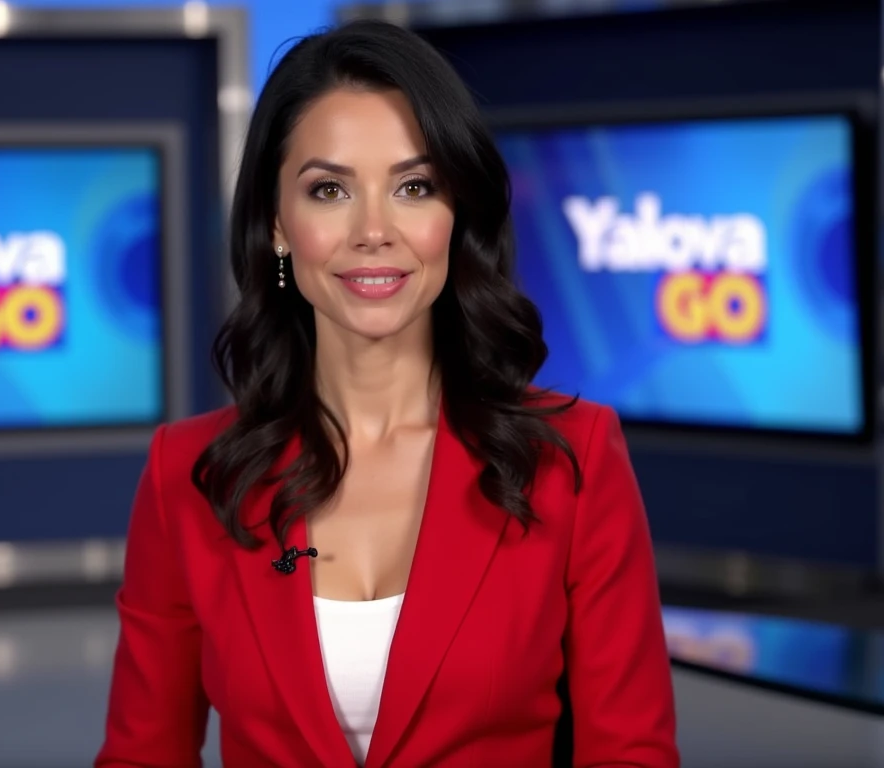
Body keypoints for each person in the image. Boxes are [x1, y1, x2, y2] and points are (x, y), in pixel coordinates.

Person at [96, 18, 678, 768]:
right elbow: (143, 755)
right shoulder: (188, 474)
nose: (374, 230)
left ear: (454, 212)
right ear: (278, 224)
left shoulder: (574, 458)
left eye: (413, 186)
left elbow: (630, 755)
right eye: (330, 189)